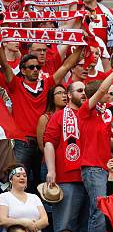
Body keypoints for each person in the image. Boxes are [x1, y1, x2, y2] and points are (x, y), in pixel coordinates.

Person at [0, 47, 81, 192]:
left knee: (45, 187)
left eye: (38, 67)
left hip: (44, 144)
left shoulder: (47, 84)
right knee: (17, 183)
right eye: (31, 67)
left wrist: (81, 46)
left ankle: (43, 214)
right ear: (23, 70)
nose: (36, 69)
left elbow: (67, 66)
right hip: (22, 142)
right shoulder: (15, 85)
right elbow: (5, 65)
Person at [78, 61, 113, 232]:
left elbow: (109, 144)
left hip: (102, 169)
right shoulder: (85, 111)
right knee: (98, 210)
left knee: (99, 211)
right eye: (108, 93)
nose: (111, 95)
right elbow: (103, 86)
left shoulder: (101, 115)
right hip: (92, 168)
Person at [44, 81, 89, 232]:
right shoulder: (60, 115)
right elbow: (48, 142)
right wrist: (51, 170)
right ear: (69, 95)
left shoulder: (92, 115)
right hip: (67, 179)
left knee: (86, 230)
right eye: (79, 90)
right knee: (64, 228)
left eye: (85, 91)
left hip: (90, 179)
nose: (84, 93)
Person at [0, 164, 49, 232]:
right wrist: (24, 223)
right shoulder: (4, 197)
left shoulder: (34, 197)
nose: (22, 177)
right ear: (11, 179)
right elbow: (2, 220)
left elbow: (45, 220)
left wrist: (33, 226)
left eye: (24, 175)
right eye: (18, 175)